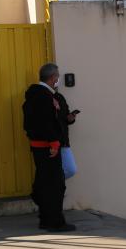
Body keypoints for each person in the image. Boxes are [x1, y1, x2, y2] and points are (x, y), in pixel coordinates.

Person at [22, 63, 76, 232]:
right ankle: (54, 222)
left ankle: (46, 219)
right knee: (54, 186)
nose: (58, 79)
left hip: (41, 146)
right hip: (47, 147)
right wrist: (53, 143)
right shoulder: (44, 97)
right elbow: (46, 122)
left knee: (47, 183)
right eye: (57, 77)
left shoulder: (36, 95)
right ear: (53, 78)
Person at [54, 88, 79, 179]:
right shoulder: (42, 98)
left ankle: (54, 187)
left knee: (71, 169)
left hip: (63, 141)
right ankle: (51, 188)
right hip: (49, 141)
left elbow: (65, 117)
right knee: (50, 170)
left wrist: (70, 118)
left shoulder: (60, 97)